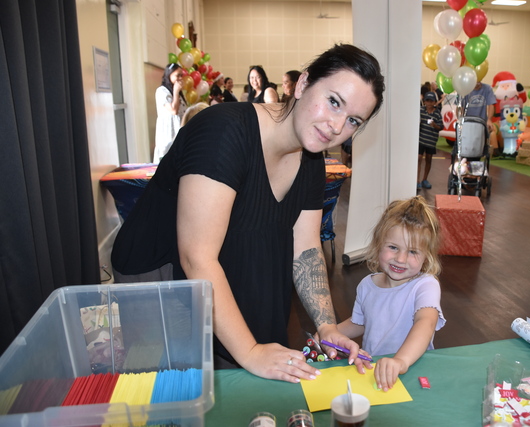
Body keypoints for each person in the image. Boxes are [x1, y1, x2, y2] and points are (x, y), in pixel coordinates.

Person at [110, 44, 385, 383]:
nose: (337, 126)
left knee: (237, 379)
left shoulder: (312, 157)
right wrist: (251, 351)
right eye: (334, 101)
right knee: (175, 387)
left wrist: (327, 326)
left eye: (353, 120)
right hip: (161, 274)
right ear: (302, 84)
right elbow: (197, 257)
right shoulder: (224, 132)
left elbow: (306, 247)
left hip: (223, 263)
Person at [334, 196, 445, 392]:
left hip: (413, 371)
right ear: (378, 245)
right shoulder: (367, 285)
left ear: (426, 256)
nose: (401, 259)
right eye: (393, 248)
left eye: (413, 252)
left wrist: (401, 361)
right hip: (375, 372)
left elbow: (426, 323)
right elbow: (360, 322)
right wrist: (329, 333)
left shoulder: (426, 285)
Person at [153, 63, 187, 163]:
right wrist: (176, 91)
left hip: (179, 132)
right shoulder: (162, 91)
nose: (180, 78)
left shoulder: (179, 93)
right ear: (169, 75)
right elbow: (173, 110)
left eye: (181, 75)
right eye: (177, 75)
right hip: (168, 133)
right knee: (167, 159)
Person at [417, 91, 442, 190]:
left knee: (428, 159)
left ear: (435, 102)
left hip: (431, 141)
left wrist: (434, 125)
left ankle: (425, 179)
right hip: (420, 140)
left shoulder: (437, 113)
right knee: (419, 158)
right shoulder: (420, 110)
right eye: (427, 100)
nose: (429, 103)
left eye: (431, 101)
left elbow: (441, 127)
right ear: (424, 101)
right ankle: (417, 180)